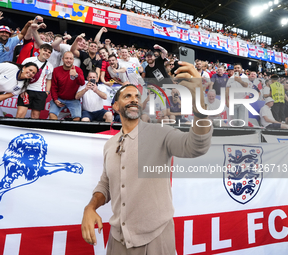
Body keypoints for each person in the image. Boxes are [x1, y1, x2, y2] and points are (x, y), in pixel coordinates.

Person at [81, 62, 212, 254]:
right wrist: (90, 207)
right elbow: (105, 185)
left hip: (156, 239)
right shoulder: (110, 145)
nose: (134, 99)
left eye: (137, 96)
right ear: (115, 105)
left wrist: (199, 103)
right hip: (117, 240)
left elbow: (197, 146)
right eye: (127, 96)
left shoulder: (161, 133)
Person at [16, 44, 54, 119]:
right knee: (20, 114)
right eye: (45, 50)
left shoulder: (50, 66)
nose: (46, 53)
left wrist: (47, 92)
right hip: (26, 91)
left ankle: (32, 131)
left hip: (40, 92)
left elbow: (49, 80)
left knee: (35, 116)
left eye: (49, 52)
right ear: (39, 50)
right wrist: (22, 89)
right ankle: (15, 130)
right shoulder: (29, 60)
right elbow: (20, 74)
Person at [49, 51, 85, 121]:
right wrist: (55, 99)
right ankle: (54, 131)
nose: (68, 60)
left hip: (73, 99)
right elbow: (53, 86)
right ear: (62, 59)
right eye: (66, 58)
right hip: (60, 98)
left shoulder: (78, 70)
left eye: (70, 59)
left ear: (73, 60)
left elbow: (82, 83)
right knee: (52, 115)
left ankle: (70, 132)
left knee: (77, 118)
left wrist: (76, 75)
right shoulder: (56, 70)